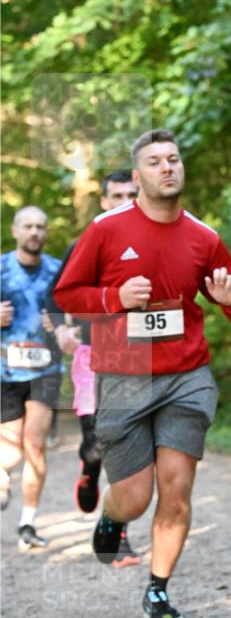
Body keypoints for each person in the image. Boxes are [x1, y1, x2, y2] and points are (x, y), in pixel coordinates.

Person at [55, 129, 231, 618]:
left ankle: (158, 590)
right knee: (136, 497)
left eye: (173, 159)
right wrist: (114, 300)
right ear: (138, 174)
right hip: (123, 377)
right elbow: (67, 293)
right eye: (154, 161)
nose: (167, 167)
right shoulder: (105, 230)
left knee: (177, 487)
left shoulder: (203, 238)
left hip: (186, 375)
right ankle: (112, 515)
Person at [45, 170, 141, 568]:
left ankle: (118, 537)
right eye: (116, 195)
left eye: (131, 194)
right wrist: (62, 330)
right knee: (96, 443)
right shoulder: (85, 242)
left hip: (137, 359)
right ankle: (88, 468)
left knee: (129, 449)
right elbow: (55, 294)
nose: (124, 201)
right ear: (102, 201)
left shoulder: (150, 240)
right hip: (89, 353)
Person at [1, 206, 63, 550]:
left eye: (40, 226)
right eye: (28, 226)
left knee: (35, 444)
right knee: (8, 451)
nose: (35, 232)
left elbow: (74, 317)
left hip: (46, 369)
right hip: (5, 369)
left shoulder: (57, 271)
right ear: (15, 231)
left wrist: (63, 323)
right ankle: (3, 476)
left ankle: (27, 522)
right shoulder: (1, 269)